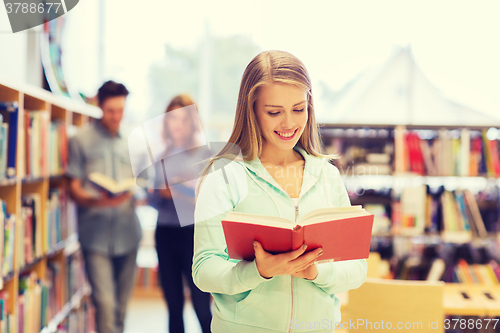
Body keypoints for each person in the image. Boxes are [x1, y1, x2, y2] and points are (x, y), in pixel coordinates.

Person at [193, 50, 367, 333]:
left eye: (299, 109)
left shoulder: (328, 176)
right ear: (252, 111)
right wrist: (259, 271)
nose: (289, 124)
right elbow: (204, 271)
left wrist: (315, 272)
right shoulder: (224, 176)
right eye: (274, 112)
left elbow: (357, 269)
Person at [66, 80, 142, 333]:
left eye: (121, 110)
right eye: (111, 111)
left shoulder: (132, 141)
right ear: (99, 106)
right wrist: (97, 200)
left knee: (121, 308)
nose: (116, 117)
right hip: (95, 235)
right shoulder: (80, 140)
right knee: (105, 305)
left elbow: (140, 183)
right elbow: (73, 187)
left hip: (128, 233)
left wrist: (135, 190)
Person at [147, 94, 212, 333]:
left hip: (194, 235)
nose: (177, 124)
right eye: (172, 119)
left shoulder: (205, 156)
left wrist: (183, 190)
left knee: (201, 305)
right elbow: (152, 201)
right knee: (173, 306)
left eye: (183, 119)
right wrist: (158, 194)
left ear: (192, 122)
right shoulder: (161, 156)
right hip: (165, 234)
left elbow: (211, 202)